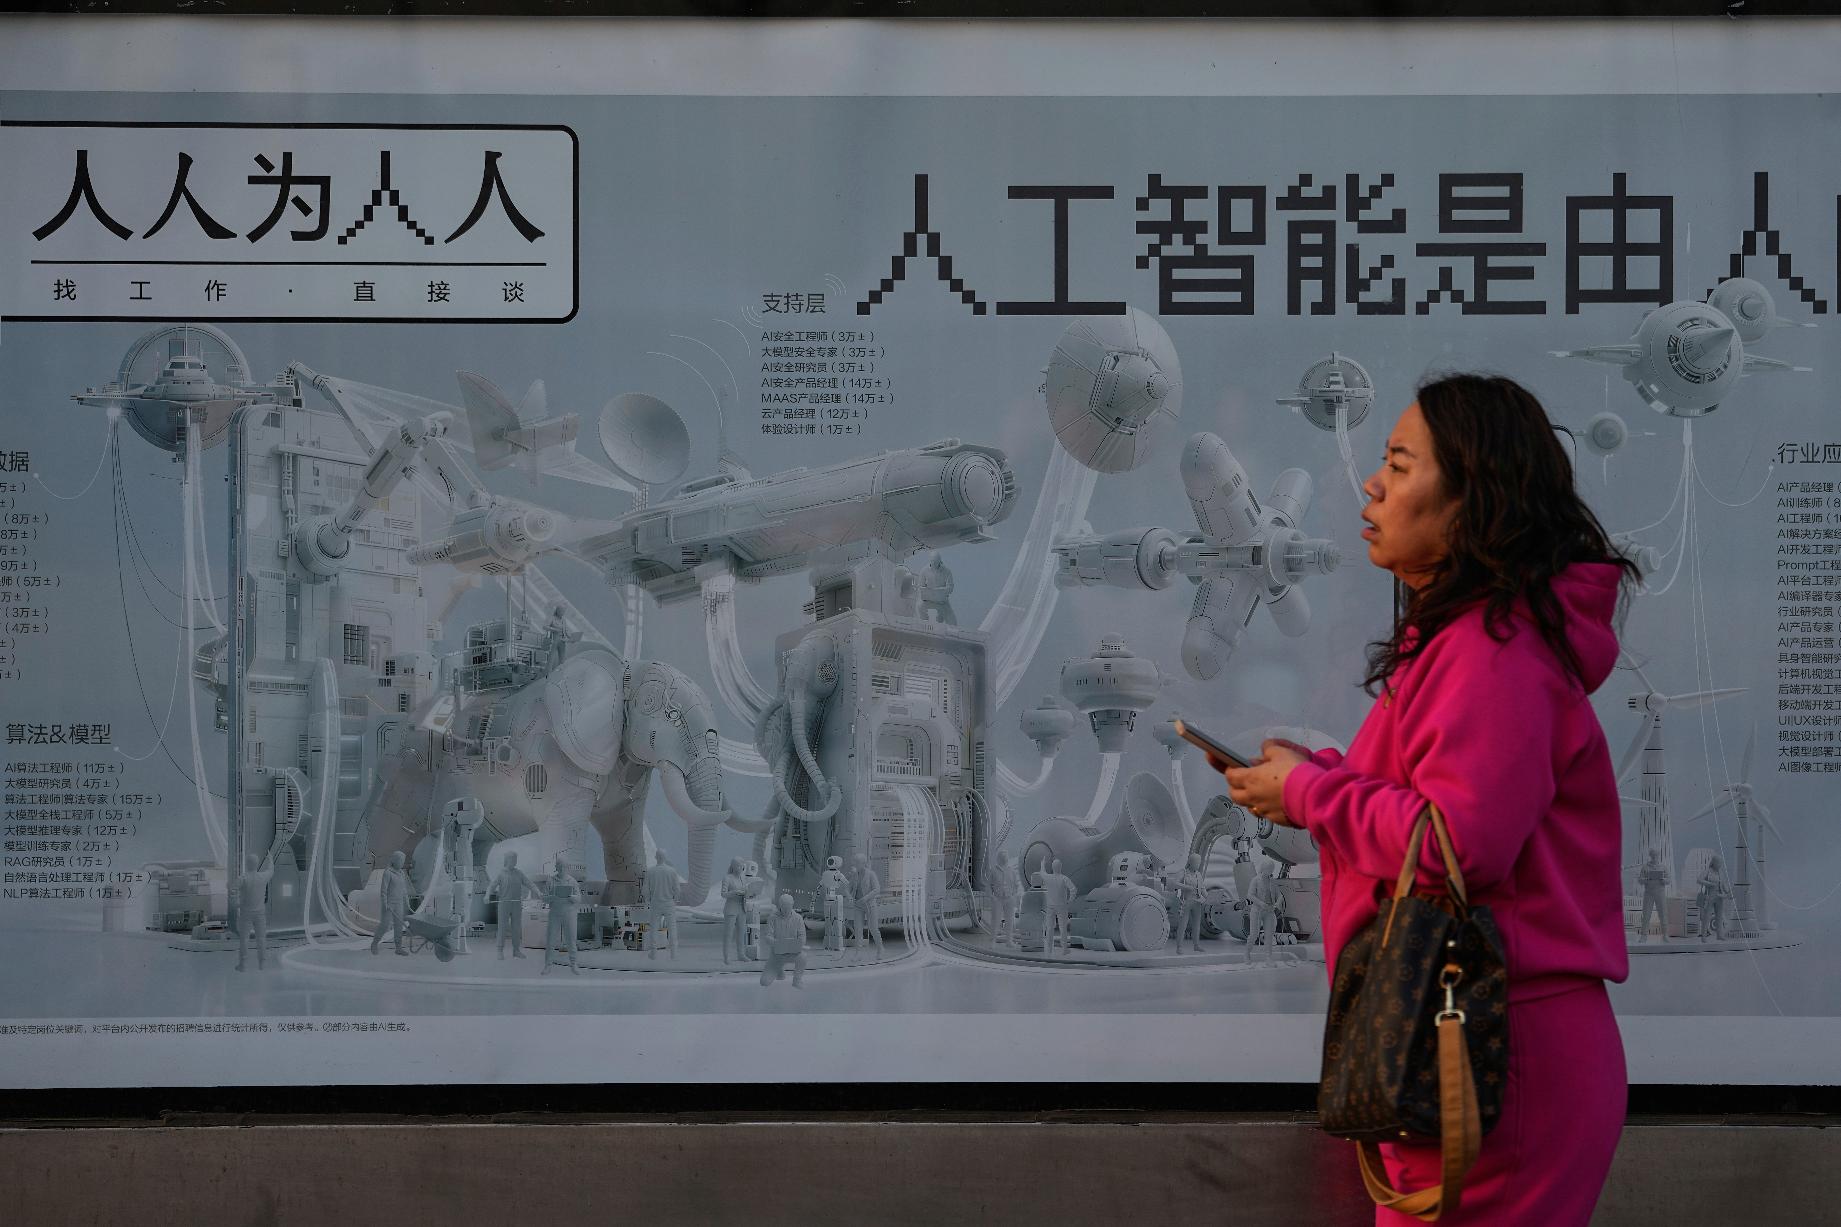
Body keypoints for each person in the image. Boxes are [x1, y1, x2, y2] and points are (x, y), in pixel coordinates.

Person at [1209, 374, 1639, 1226]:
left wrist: (1310, 793)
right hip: (1469, 1041)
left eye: (1401, 465)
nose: (1372, 486)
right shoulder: (1478, 640)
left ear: (1472, 497)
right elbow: (1441, 803)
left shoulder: (1492, 651)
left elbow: (1456, 843)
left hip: (1489, 1051)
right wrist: (1316, 777)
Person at [489, 851, 538, 959]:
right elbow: (492, 886)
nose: (515, 861)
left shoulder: (519, 873)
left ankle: (516, 950)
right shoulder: (501, 873)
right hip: (504, 904)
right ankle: (499, 950)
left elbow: (529, 883)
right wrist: (487, 896)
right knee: (502, 927)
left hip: (516, 904)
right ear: (507, 860)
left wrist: (538, 892)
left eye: (516, 859)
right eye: (513, 859)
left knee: (516, 928)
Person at [234, 853, 274, 972]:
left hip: (246, 913)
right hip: (260, 913)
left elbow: (232, 889)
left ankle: (243, 965)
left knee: (244, 939)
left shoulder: (243, 878)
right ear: (256, 864)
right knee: (261, 939)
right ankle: (262, 964)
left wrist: (237, 903)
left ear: (247, 864)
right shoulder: (263, 877)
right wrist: (270, 859)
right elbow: (271, 870)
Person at [759, 893, 807, 988]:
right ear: (780, 906)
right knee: (764, 982)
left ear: (792, 905)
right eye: (784, 907)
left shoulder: (798, 918)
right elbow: (768, 936)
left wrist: (795, 943)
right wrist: (777, 943)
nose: (786, 910)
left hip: (793, 953)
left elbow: (802, 938)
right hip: (777, 954)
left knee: (803, 957)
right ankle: (779, 970)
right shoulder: (772, 918)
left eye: (788, 907)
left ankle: (797, 980)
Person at [370, 850, 411, 956]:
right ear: (395, 860)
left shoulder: (401, 873)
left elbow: (404, 889)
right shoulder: (388, 872)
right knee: (385, 925)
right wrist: (385, 904)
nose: (402, 863)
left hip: (399, 903)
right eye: (401, 861)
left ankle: (398, 948)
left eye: (403, 861)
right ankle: (374, 944)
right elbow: (383, 890)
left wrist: (407, 900)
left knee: (398, 926)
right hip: (389, 904)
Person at [1636, 847, 1669, 944]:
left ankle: (1665, 935)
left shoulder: (1663, 867)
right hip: (1649, 893)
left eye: (1656, 855)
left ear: (1658, 855)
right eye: (1653, 855)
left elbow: (1668, 879)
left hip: (1660, 893)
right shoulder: (1645, 867)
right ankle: (1644, 935)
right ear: (1650, 855)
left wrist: (1664, 880)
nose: (1655, 857)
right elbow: (1640, 880)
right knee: (1646, 915)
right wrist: (1647, 879)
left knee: (1663, 914)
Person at [1696, 855, 1730, 941]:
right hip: (1710, 895)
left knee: (1719, 917)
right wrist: (1709, 884)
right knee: (1707, 916)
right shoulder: (1707, 871)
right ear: (1714, 862)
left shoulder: (1720, 873)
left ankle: (1719, 935)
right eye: (1718, 862)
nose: (1720, 864)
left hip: (1719, 896)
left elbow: (1724, 884)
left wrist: (1728, 892)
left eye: (1720, 863)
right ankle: (1704, 936)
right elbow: (1699, 880)